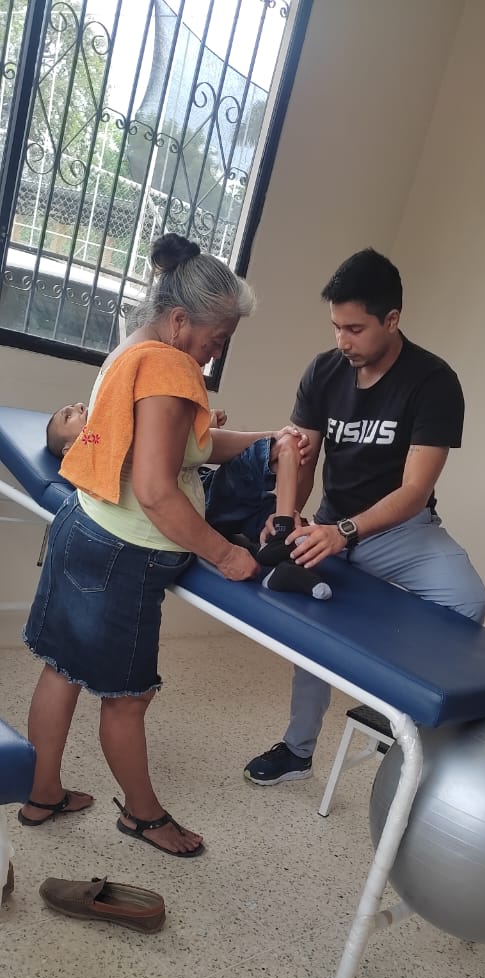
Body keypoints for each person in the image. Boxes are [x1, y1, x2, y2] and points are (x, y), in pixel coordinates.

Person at [19, 234, 313, 858]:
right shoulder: (171, 369)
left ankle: (41, 795)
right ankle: (144, 817)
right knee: (128, 700)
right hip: (123, 555)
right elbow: (156, 490)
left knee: (61, 671)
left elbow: (178, 450)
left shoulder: (133, 347)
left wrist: (267, 438)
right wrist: (225, 554)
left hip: (81, 526)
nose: (217, 352)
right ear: (181, 319)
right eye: (217, 338)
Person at [244, 247, 485, 785]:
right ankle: (297, 751)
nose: (342, 340)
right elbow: (299, 455)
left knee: (469, 599)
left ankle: (406, 712)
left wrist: (345, 532)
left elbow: (415, 490)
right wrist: (287, 518)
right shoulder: (324, 371)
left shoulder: (433, 382)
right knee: (312, 625)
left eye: (354, 329)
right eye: (336, 327)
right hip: (330, 521)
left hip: (399, 531)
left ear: (392, 319)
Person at [46, 405, 331, 596]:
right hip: (199, 506)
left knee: (294, 516)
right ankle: (281, 546)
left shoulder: (128, 423)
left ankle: (283, 547)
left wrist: (202, 428)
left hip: (209, 489)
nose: (79, 407)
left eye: (75, 406)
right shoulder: (96, 461)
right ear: (70, 449)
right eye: (68, 416)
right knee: (282, 450)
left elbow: (198, 448)